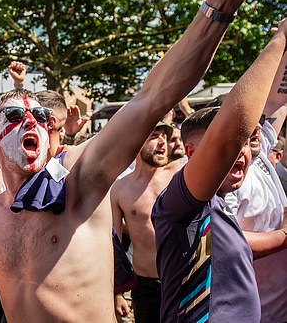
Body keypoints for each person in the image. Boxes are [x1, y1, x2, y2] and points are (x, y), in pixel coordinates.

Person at [0, 0, 267, 322]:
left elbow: (154, 96)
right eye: (15, 117)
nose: (31, 122)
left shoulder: (82, 181)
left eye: (42, 118)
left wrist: (221, 3)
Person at [152, 18, 286, 322]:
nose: (241, 151)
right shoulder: (180, 206)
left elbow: (277, 102)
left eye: (247, 142)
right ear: (192, 154)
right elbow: (230, 133)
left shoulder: (223, 194)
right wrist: (278, 40)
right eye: (232, 143)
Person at [222, 32, 287, 323]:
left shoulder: (256, 148)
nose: (258, 125)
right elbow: (228, 241)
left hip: (279, 302)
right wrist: (285, 236)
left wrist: (284, 47)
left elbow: (275, 103)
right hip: (252, 310)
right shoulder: (226, 175)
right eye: (248, 121)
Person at [110, 122, 173, 323]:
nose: (162, 141)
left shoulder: (180, 176)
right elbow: (114, 246)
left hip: (182, 281)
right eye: (154, 135)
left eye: (165, 136)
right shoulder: (120, 189)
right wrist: (117, 292)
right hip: (145, 287)